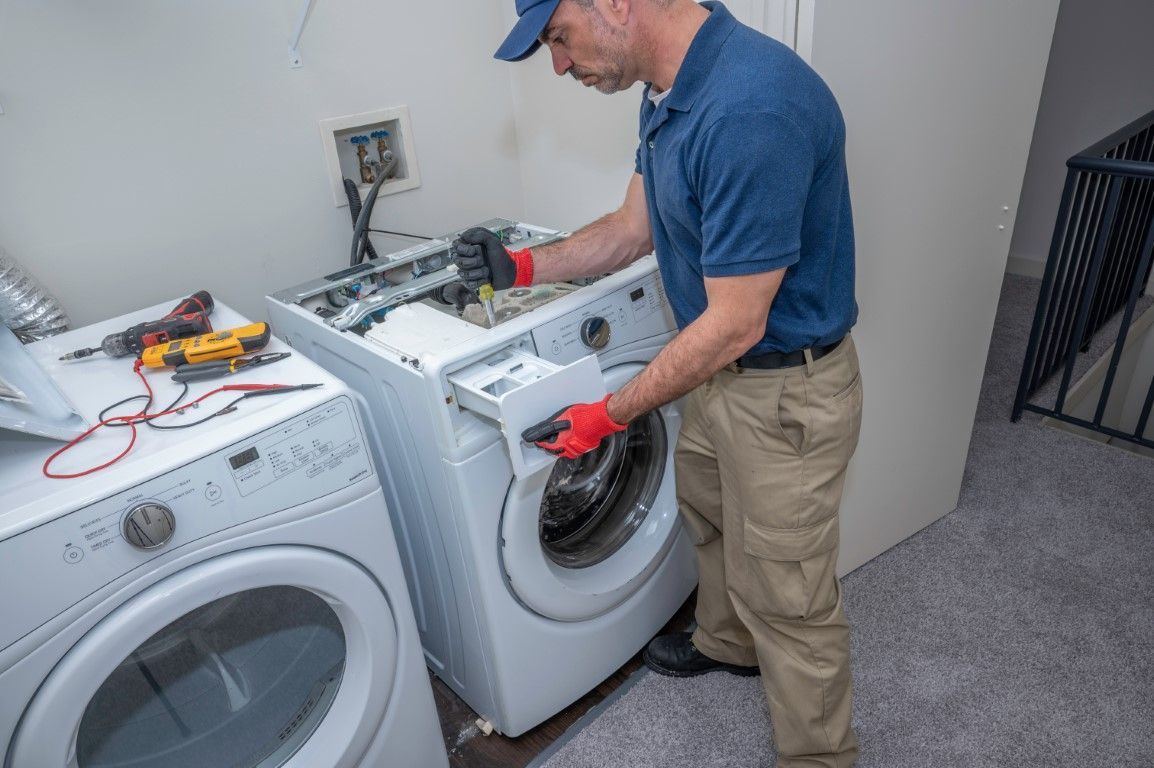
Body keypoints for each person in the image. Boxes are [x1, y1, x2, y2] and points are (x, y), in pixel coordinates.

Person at [449, 1, 862, 765]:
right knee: (705, 514)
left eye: (558, 38)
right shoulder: (667, 93)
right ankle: (729, 645)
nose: (560, 65)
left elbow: (738, 321)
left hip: (783, 393)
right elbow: (631, 229)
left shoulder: (750, 108)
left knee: (791, 596)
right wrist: (521, 268)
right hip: (714, 378)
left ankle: (822, 757)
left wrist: (605, 415)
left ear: (612, 3)